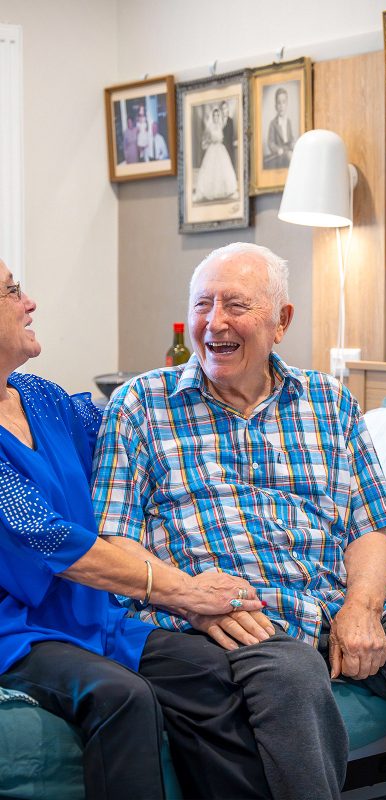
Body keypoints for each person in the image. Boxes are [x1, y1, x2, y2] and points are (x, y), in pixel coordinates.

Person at [92, 242, 386, 800]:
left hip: (333, 596)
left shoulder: (329, 402)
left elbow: (370, 529)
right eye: (201, 305)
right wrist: (189, 594)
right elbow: (114, 539)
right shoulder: (141, 404)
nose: (214, 322)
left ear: (281, 321)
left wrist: (361, 609)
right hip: (239, 612)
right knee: (293, 677)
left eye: (235, 305)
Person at [0, 257, 283, 800]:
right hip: (16, 630)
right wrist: (184, 591)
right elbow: (46, 537)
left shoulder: (40, 397)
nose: (30, 302)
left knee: (208, 668)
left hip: (94, 611)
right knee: (121, 697)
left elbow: (134, 440)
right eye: (13, 291)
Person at [194, 106, 238, 202]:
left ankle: (224, 191)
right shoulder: (209, 128)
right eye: (214, 116)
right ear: (212, 117)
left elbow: (223, 138)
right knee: (211, 170)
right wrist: (210, 141)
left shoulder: (221, 127)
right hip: (212, 149)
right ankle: (210, 191)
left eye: (217, 115)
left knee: (223, 169)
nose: (216, 117)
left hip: (220, 149)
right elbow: (204, 141)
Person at [265, 88, 294, 169]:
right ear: (275, 106)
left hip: (288, 151)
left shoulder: (288, 122)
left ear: (287, 104)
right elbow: (270, 142)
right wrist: (277, 149)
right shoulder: (273, 123)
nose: (281, 106)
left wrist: (293, 143)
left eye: (284, 102)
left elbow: (291, 138)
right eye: (279, 103)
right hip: (279, 156)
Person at [220, 99, 235, 168]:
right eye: (223, 109)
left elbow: (231, 136)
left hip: (229, 150)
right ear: (221, 110)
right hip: (220, 150)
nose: (224, 110)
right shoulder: (219, 122)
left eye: (225, 108)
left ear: (228, 109)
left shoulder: (231, 121)